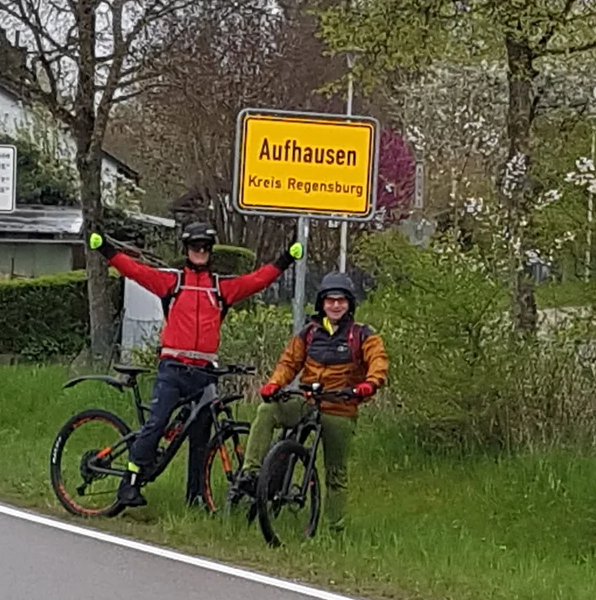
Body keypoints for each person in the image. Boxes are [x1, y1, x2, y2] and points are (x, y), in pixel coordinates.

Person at [88, 221, 302, 508]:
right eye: (194, 246)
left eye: (204, 247)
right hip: (173, 369)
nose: (199, 251)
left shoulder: (220, 288)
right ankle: (130, 484)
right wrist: (105, 248)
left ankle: (196, 496)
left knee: (200, 437)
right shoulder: (173, 283)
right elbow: (136, 271)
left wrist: (286, 257)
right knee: (157, 424)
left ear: (210, 250)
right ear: (186, 250)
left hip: (205, 373)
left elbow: (257, 280)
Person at [246, 272, 388, 532]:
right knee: (267, 410)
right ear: (322, 303)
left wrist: (368, 385)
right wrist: (274, 384)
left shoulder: (362, 335)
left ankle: (336, 528)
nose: (335, 305)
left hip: (339, 407)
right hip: (307, 400)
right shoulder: (309, 333)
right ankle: (251, 473)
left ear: (349, 304)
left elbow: (378, 362)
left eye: (341, 301)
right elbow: (289, 362)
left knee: (336, 473)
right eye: (330, 300)